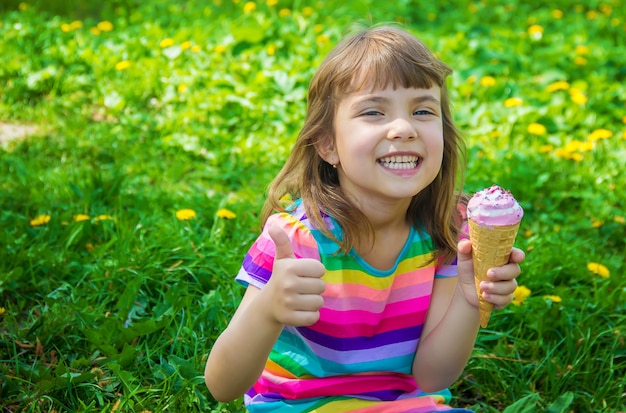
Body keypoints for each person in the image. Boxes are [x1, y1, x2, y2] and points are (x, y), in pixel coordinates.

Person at [204, 24, 524, 412]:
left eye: (423, 110)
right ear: (326, 143)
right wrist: (269, 307)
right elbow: (222, 385)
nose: (404, 128)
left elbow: (432, 377)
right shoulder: (298, 240)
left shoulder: (448, 232)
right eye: (373, 112)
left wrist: (467, 301)